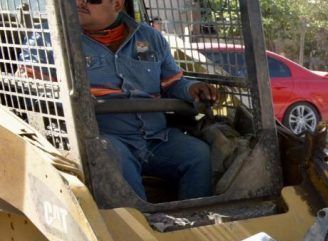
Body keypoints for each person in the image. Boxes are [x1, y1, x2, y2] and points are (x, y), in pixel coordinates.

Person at [21, 0, 217, 201]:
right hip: (103, 136)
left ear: (117, 4)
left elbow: (172, 83)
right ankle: (140, 224)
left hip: (156, 138)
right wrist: (68, 96)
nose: (80, 2)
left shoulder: (151, 38)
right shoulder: (48, 37)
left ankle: (198, 221)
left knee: (197, 154)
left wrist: (191, 88)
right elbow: (26, 84)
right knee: (111, 155)